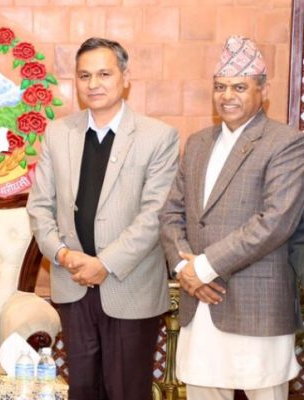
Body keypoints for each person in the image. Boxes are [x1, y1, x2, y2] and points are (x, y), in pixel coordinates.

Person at [27, 37, 179, 400]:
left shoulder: (158, 137)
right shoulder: (58, 133)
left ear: (125, 78)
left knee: (126, 390)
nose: (93, 84)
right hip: (72, 282)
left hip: (130, 286)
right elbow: (39, 207)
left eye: (104, 74)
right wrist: (63, 254)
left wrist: (105, 263)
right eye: (84, 76)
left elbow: (154, 214)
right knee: (81, 389)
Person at [159, 35, 304, 400]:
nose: (227, 96)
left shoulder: (286, 142)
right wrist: (185, 270)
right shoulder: (197, 143)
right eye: (220, 87)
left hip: (257, 306)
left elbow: (275, 221)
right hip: (199, 303)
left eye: (239, 87)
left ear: (263, 91)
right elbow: (171, 214)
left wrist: (204, 267)